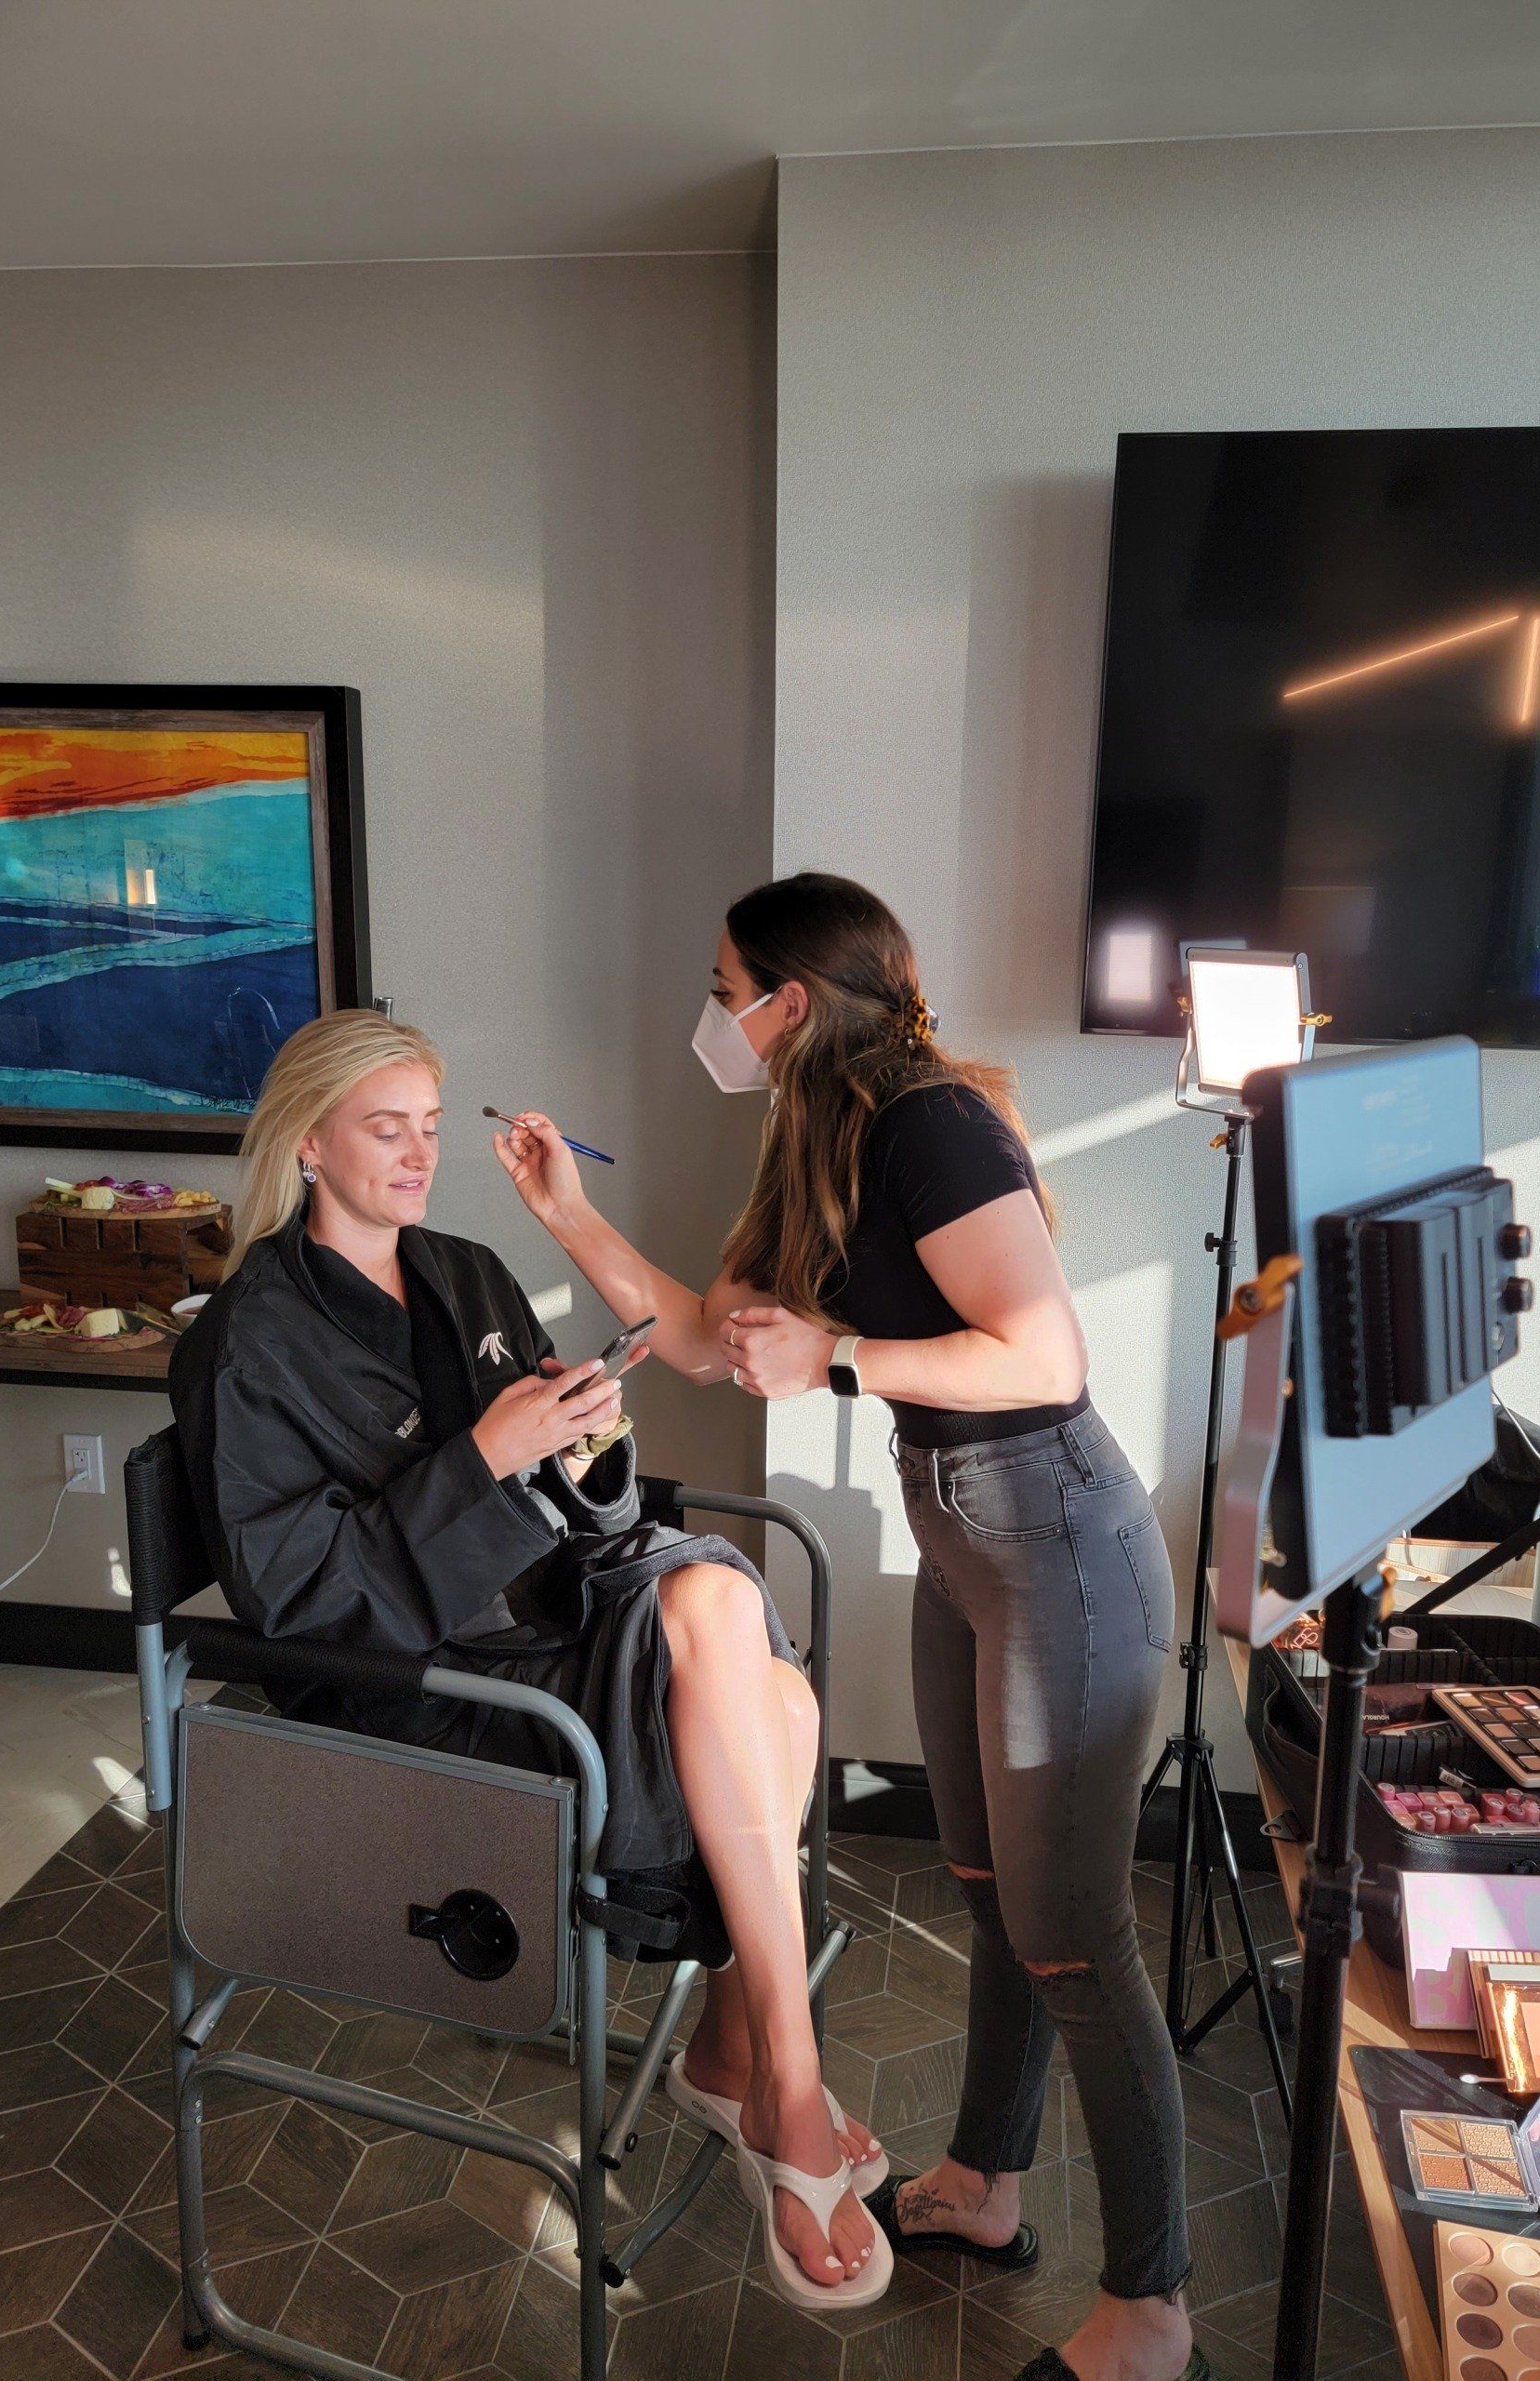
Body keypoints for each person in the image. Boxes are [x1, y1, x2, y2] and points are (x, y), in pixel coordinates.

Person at [495, 873, 1215, 2381]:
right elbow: (712, 1339)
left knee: (1076, 1934)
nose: (714, 1017)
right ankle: (985, 2185)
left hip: (1059, 1545)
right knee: (992, 1894)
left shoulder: (931, 1124)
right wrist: (567, 1212)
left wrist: (840, 1360)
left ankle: (1151, 2309)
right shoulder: (814, 1128)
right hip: (966, 1543)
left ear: (793, 1001)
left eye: (724, 989)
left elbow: (1043, 1356)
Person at [168, 1008, 889, 2310]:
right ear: (309, 1144)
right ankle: (768, 2068)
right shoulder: (246, 1340)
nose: (419, 1154)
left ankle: (759, 2063)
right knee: (757, 1683)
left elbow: (581, 1509)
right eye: (387, 1129)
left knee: (734, 1635)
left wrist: (587, 1447)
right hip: (419, 1681)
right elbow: (299, 1604)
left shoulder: (464, 1272)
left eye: (432, 1127)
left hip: (550, 1612)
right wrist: (488, 1460)